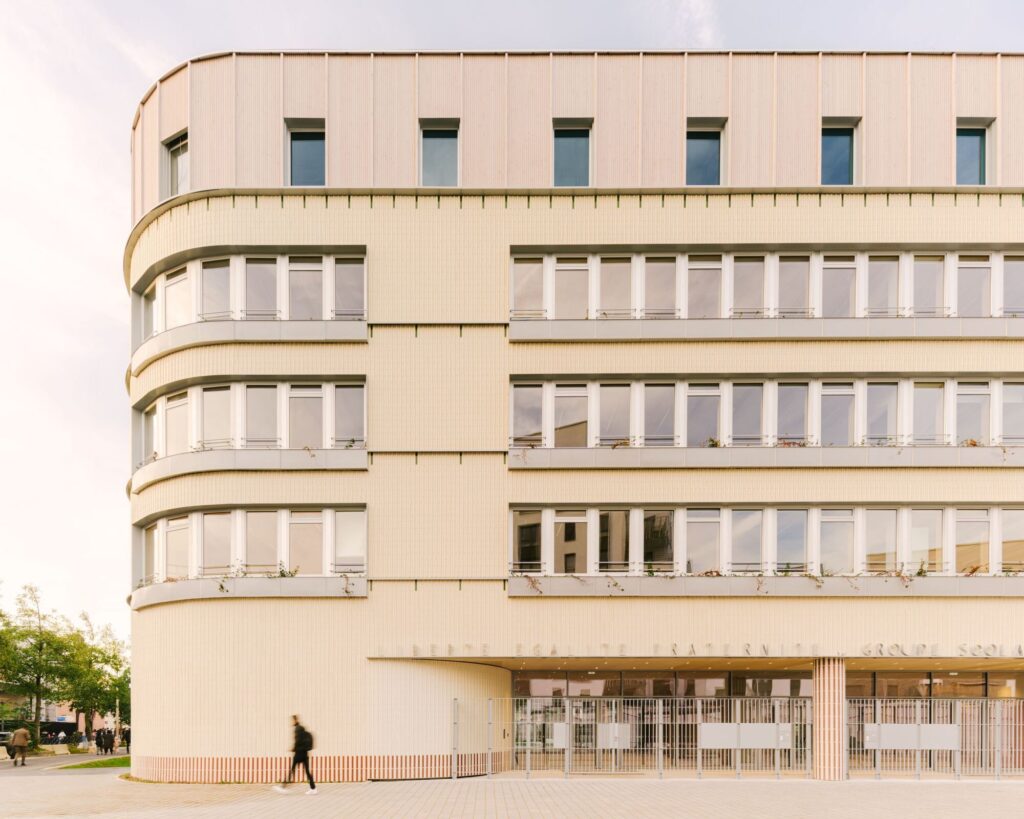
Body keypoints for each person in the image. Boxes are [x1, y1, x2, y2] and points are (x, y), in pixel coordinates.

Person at [272, 715, 316, 795]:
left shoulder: (297, 729)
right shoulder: (302, 729)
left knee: (292, 771)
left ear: (295, 720)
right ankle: (313, 788)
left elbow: (298, 741)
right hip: (305, 753)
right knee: (307, 771)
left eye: (292, 720)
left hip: (299, 754)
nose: (291, 722)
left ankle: (283, 787)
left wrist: (293, 748)